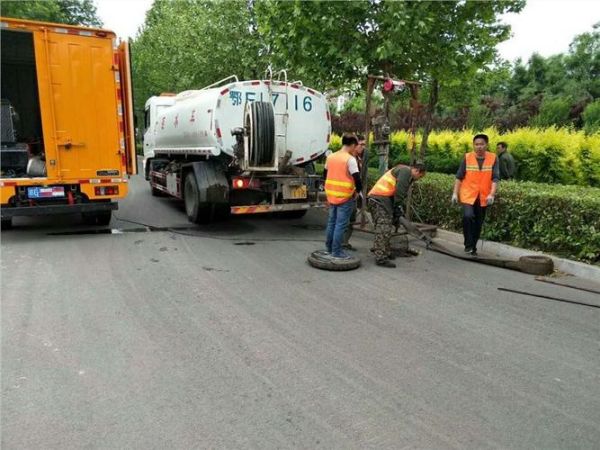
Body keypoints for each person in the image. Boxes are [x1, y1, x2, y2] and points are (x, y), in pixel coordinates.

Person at [368, 162, 427, 268]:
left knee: (386, 229)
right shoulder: (406, 171)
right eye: (420, 176)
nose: (419, 178)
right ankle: (380, 258)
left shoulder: (404, 171)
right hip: (379, 200)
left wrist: (396, 209)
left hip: (382, 201)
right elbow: (400, 192)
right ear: (416, 170)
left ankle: (384, 252)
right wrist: (397, 208)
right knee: (383, 229)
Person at [452, 134, 500, 255]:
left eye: (482, 144)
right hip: (468, 194)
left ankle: (473, 246)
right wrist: (455, 194)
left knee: (478, 222)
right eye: (476, 144)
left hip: (484, 196)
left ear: (486, 145)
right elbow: (459, 177)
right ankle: (468, 244)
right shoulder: (467, 157)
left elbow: (495, 178)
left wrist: (492, 194)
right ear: (473, 145)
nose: (479, 147)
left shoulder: (493, 158)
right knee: (468, 216)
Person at [322, 133, 363, 259]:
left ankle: (329, 249)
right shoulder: (350, 159)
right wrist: (358, 191)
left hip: (332, 195)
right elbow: (357, 179)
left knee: (332, 223)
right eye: (355, 146)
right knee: (340, 225)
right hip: (345, 197)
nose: (356, 148)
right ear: (351, 145)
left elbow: (325, 174)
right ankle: (337, 252)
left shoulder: (331, 157)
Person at [342, 134, 366, 251]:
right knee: (344, 220)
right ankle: (339, 244)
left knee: (351, 220)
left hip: (354, 194)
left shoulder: (358, 159)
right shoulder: (347, 159)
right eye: (361, 144)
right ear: (354, 145)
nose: (362, 147)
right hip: (346, 194)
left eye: (364, 145)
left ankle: (345, 242)